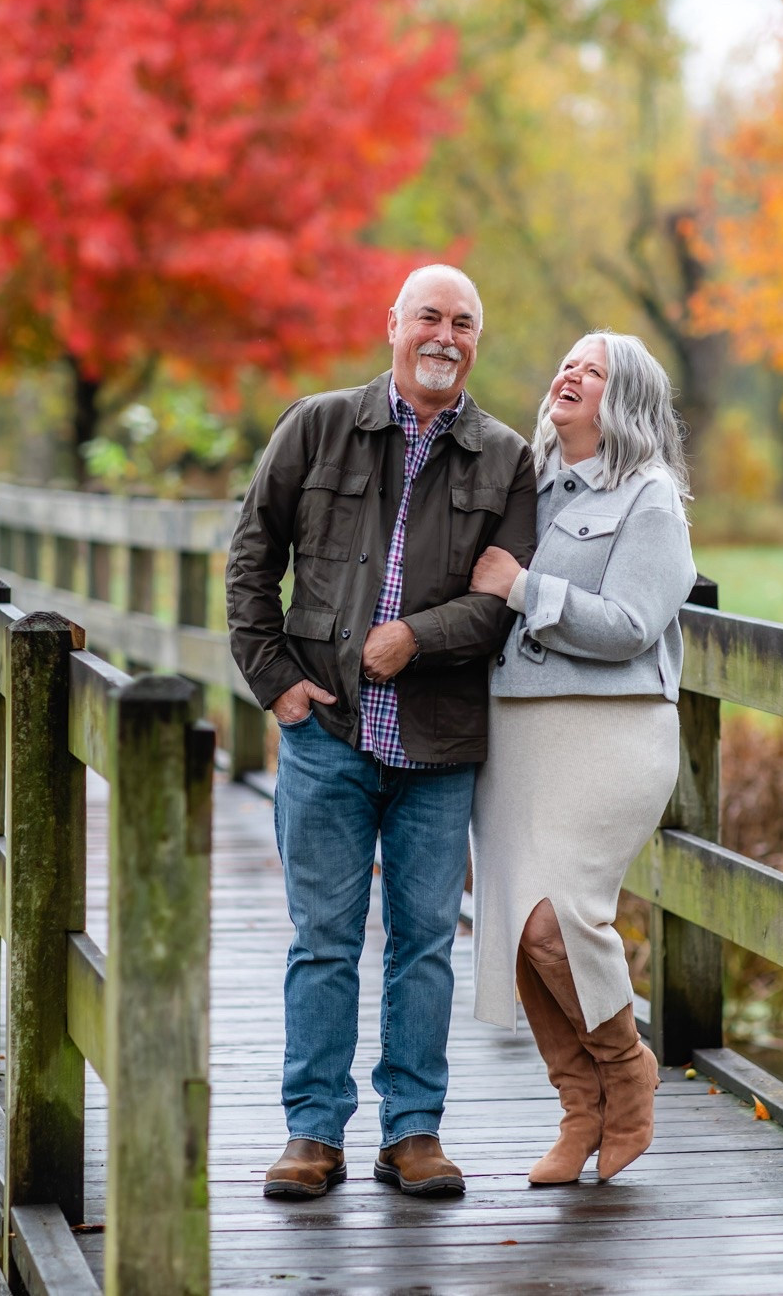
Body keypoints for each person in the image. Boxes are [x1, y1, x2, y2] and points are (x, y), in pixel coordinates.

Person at [225, 265, 536, 1202]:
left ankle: (414, 1131)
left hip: (438, 745)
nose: (445, 335)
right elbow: (252, 552)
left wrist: (413, 637)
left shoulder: (504, 457)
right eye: (429, 317)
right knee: (323, 938)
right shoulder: (317, 424)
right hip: (327, 733)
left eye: (465, 323)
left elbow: (499, 606)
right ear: (392, 325)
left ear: (478, 339)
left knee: (424, 941)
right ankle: (311, 1131)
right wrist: (273, 678)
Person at [468, 330, 696, 1186]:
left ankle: (626, 1071)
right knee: (520, 934)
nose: (568, 372)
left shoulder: (650, 497)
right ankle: (580, 1107)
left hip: (610, 730)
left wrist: (524, 588)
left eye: (592, 370)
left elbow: (633, 623)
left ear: (625, 399)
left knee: (557, 921)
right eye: (565, 361)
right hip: (514, 736)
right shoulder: (526, 484)